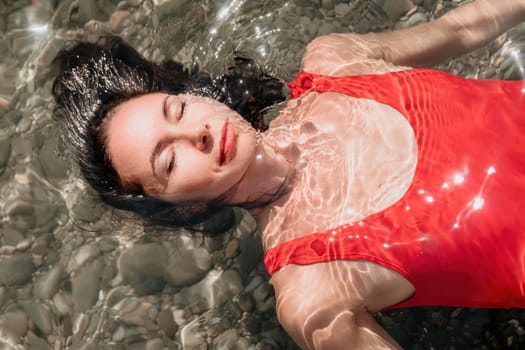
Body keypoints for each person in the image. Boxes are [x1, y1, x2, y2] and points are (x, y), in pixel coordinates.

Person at [52, 0, 525, 349]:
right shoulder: (314, 290)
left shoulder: (336, 62)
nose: (194, 133)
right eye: (169, 162)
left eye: (177, 109)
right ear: (182, 206)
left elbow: (464, 27)